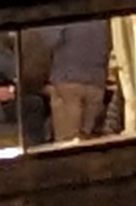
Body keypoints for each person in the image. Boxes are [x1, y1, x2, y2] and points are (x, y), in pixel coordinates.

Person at [37, 16, 117, 148]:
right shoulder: (103, 18)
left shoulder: (65, 14)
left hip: (68, 82)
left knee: (67, 143)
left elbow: (47, 40)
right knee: (87, 142)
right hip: (97, 84)